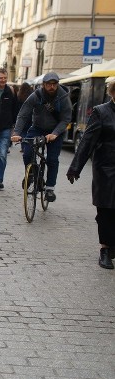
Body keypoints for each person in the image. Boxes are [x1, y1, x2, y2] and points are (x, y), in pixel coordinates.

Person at [65, 76, 115, 269]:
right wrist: (75, 168)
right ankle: (105, 249)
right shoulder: (101, 112)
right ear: (112, 92)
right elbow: (87, 141)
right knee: (105, 210)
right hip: (106, 168)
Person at [11, 72, 72, 202]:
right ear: (43, 85)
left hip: (56, 131)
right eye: (48, 84)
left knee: (52, 159)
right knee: (27, 152)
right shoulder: (36, 95)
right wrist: (16, 133)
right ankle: (32, 173)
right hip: (37, 128)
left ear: (57, 84)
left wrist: (55, 133)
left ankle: (50, 188)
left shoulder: (63, 97)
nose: (51, 87)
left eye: (54, 84)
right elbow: (23, 114)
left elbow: (66, 119)